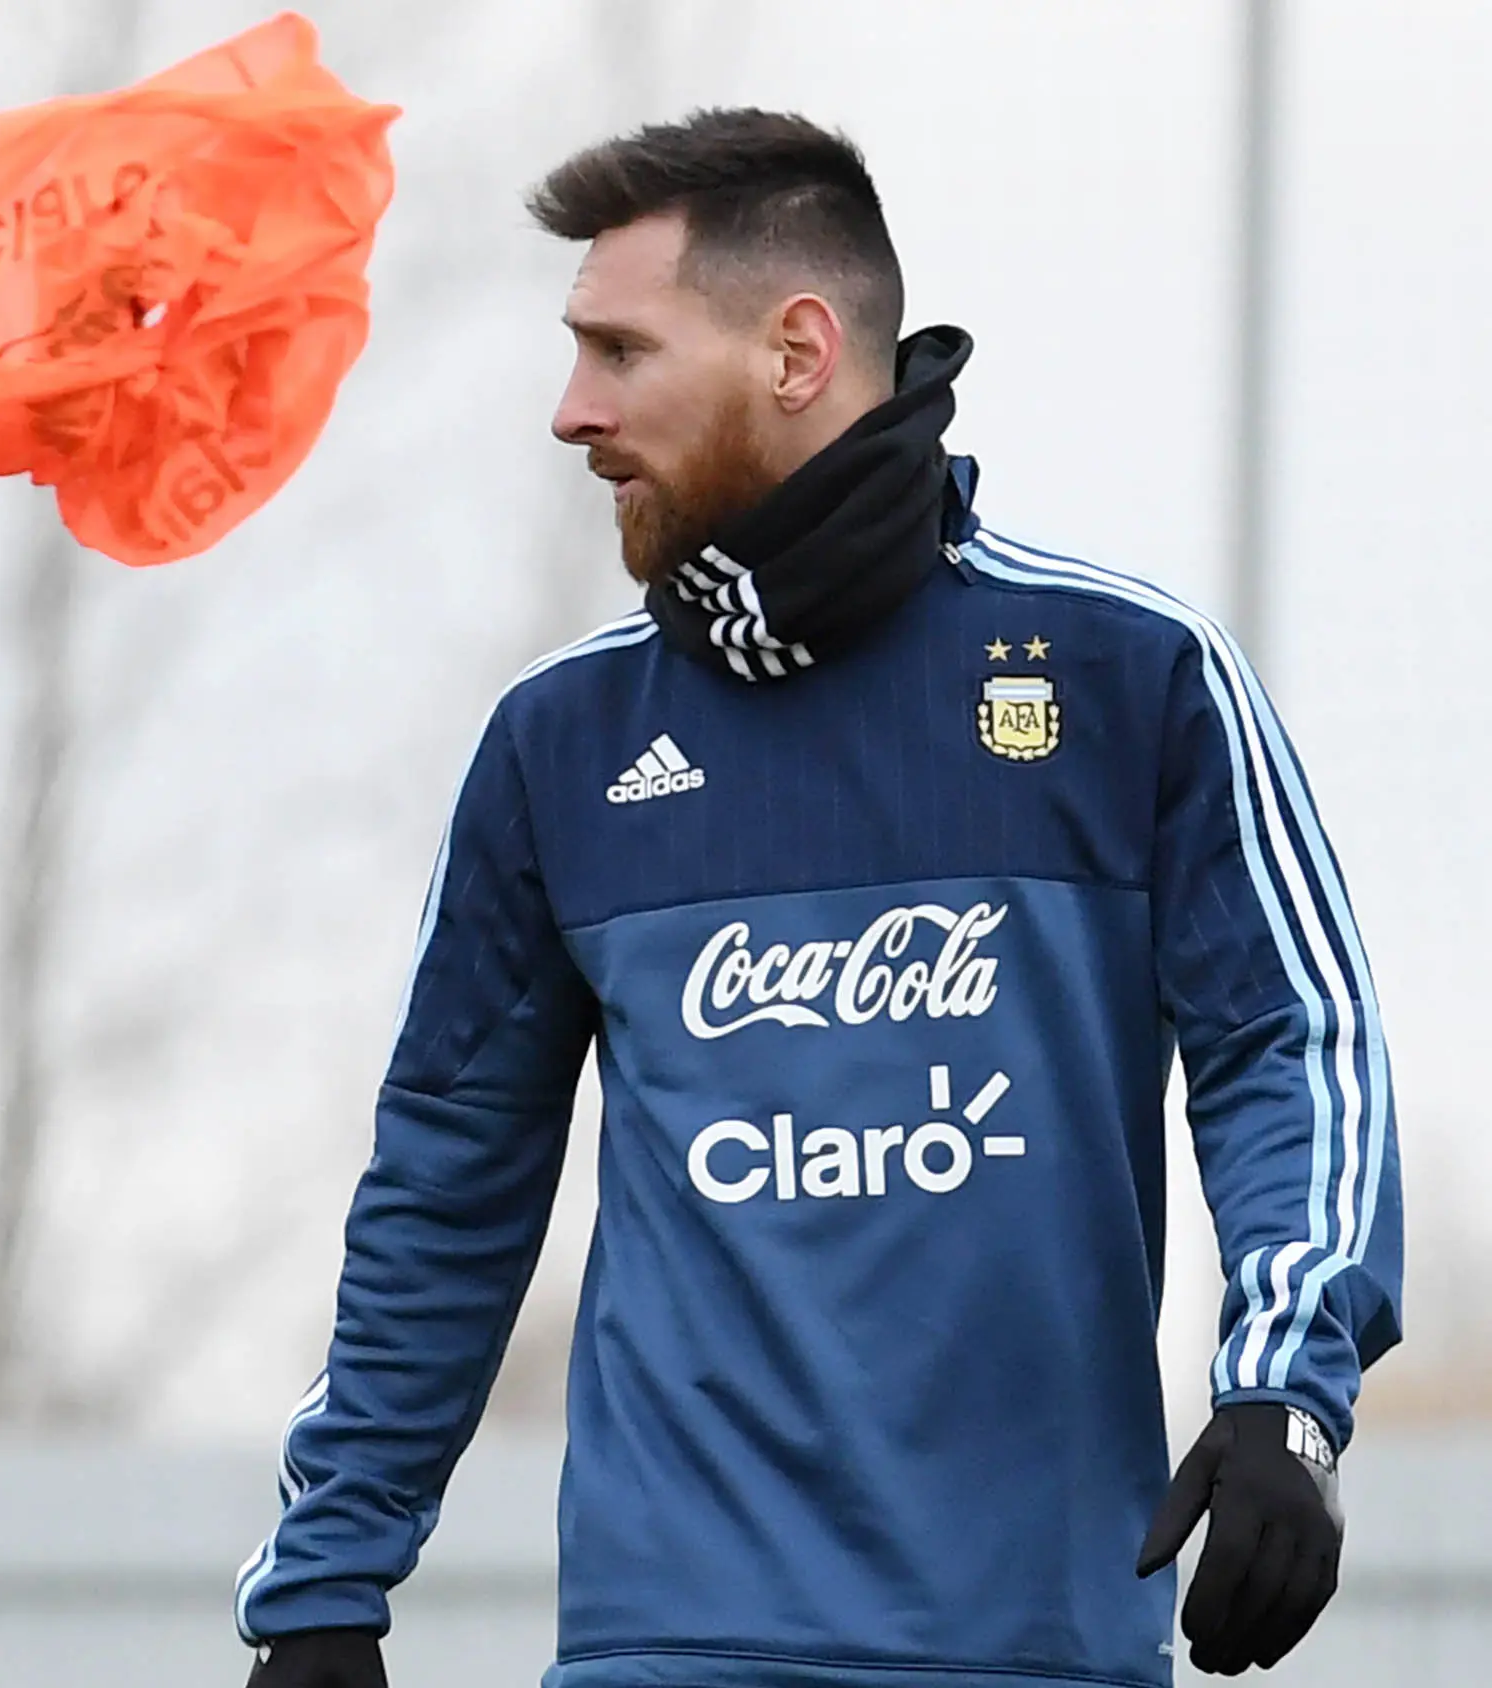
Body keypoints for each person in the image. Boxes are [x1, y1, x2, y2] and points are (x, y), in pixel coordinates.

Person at [235, 110, 1400, 1688]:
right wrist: (327, 1582)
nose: (570, 413)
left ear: (798, 351)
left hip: (1039, 1648)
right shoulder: (560, 747)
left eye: (617, 352)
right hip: (667, 1651)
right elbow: (445, 1185)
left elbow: (1295, 1044)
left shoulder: (1131, 677)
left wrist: (1283, 1392)